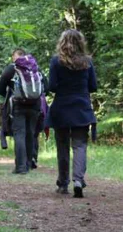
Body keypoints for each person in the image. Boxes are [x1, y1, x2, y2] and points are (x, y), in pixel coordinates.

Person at [47, 30, 97, 198]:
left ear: (62, 43)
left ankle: (63, 183)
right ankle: (78, 180)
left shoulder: (56, 61)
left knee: (62, 146)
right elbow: (93, 86)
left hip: (61, 108)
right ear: (80, 43)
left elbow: (52, 86)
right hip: (81, 109)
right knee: (80, 145)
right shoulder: (87, 62)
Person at [0, 48, 41, 174]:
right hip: (35, 105)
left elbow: (0, 89)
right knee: (31, 133)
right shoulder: (35, 67)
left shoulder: (12, 68)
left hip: (18, 105)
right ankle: (29, 163)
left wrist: (10, 92)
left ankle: (21, 167)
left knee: (20, 134)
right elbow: (46, 87)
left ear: (15, 57)